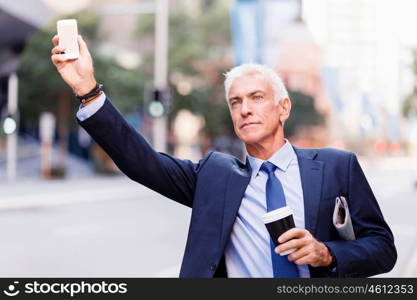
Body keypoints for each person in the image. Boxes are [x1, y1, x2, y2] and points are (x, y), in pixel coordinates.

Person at [51, 35, 396, 278]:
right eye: (235, 102)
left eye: (257, 97)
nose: (245, 109)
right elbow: (141, 161)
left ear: (283, 107)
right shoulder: (215, 175)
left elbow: (382, 249)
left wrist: (328, 254)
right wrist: (87, 90)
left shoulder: (337, 166)